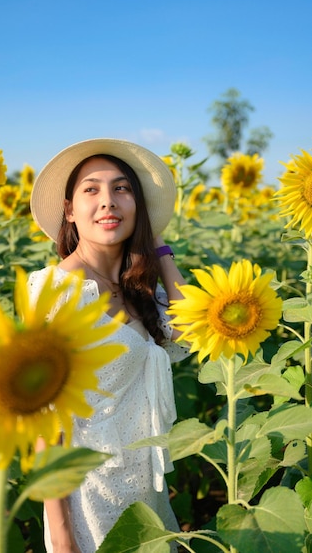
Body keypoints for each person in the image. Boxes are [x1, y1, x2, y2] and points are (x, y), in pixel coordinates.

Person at [28, 138, 190, 553]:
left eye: (122, 189)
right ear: (69, 210)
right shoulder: (57, 293)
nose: (108, 202)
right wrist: (62, 537)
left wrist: (160, 249)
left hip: (144, 494)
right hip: (88, 498)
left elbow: (192, 328)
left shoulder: (138, 289)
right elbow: (48, 427)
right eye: (91, 189)